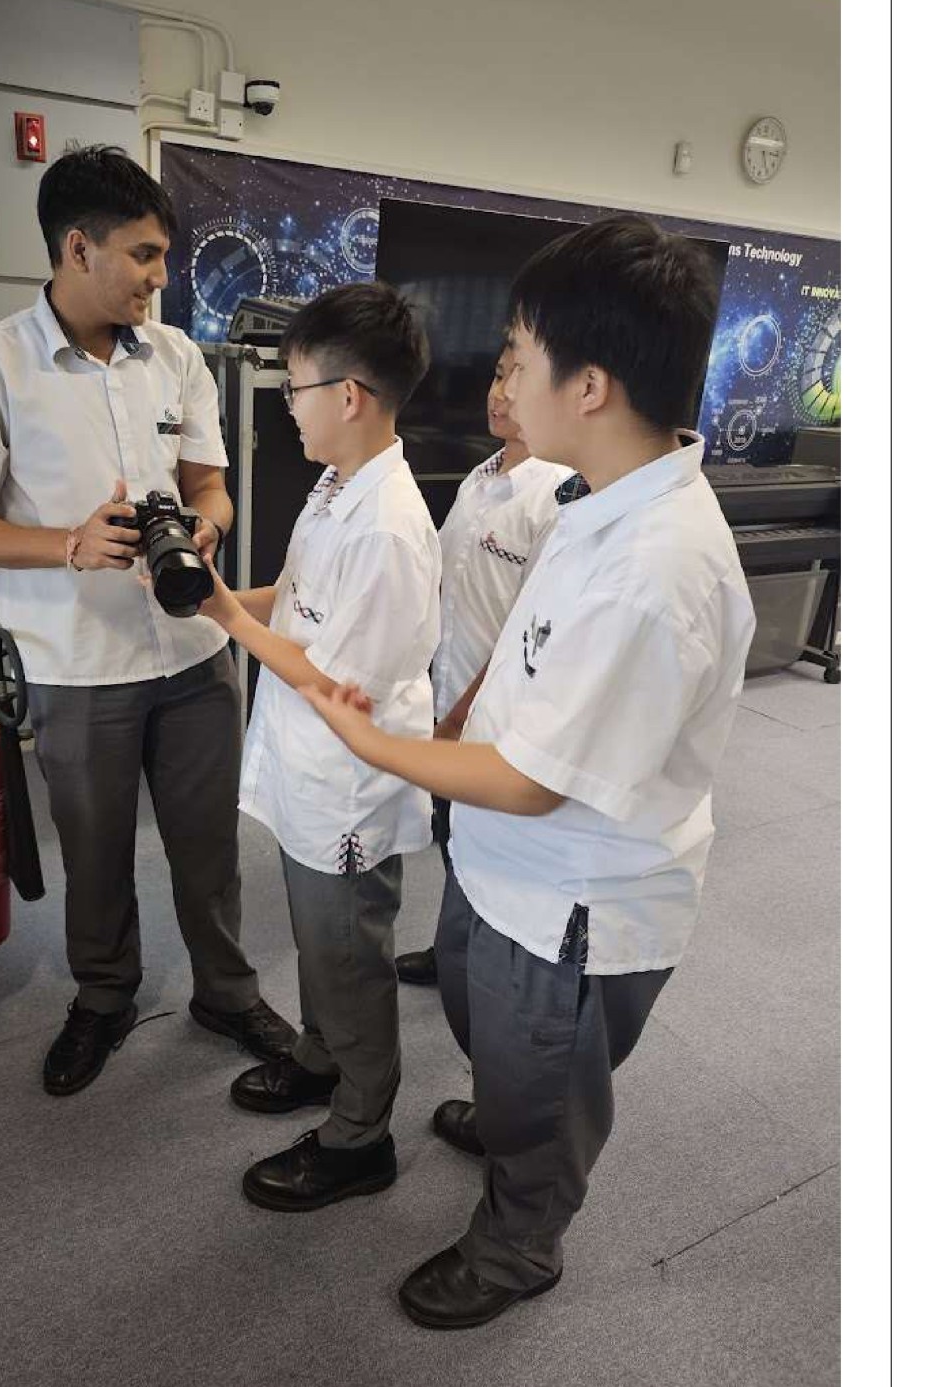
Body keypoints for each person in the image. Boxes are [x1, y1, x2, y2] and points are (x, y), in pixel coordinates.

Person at [302, 216, 755, 1328]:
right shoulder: (592, 498)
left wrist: (372, 742)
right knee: (488, 1031)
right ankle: (510, 1111)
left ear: (588, 385)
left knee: (541, 1089)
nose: (501, 377)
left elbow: (534, 781)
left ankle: (518, 1246)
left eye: (519, 353)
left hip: (571, 904)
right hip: (503, 867)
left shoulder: (654, 569)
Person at [0, 145, 295, 1097]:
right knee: (93, 853)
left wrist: (206, 529)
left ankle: (227, 992)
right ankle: (103, 997)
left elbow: (211, 488)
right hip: (77, 663)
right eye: (143, 255)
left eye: (163, 254)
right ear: (77, 248)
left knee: (209, 847)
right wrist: (70, 544)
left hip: (194, 649)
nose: (160, 276)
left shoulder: (176, 359)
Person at [198, 282, 441, 1211]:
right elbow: (295, 603)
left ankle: (359, 1135)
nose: (286, 404)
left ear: (348, 395)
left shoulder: (387, 529)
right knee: (316, 939)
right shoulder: (337, 485)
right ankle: (320, 1055)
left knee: (349, 958)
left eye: (294, 386)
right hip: (305, 766)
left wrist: (225, 617)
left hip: (347, 785)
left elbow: (336, 686)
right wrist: (219, 597)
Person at [395, 333, 571, 988]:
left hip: (495, 718)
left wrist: (456, 721)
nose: (501, 393)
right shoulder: (481, 476)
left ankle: (482, 971)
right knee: (455, 840)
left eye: (518, 377)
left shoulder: (557, 494)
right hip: (447, 697)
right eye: (498, 375)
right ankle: (453, 951)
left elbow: (530, 632)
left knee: (491, 851)